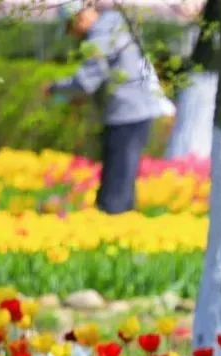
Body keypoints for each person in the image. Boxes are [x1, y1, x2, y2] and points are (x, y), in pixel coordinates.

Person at [48, 0, 174, 214]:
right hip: (133, 110)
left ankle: (114, 229)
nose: (73, 35)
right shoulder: (113, 26)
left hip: (127, 113)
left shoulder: (101, 34)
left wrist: (55, 88)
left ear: (80, 17)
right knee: (121, 179)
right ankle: (120, 227)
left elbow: (88, 79)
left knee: (116, 187)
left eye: (71, 28)